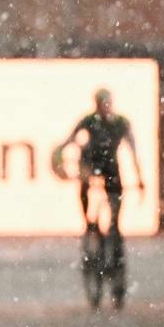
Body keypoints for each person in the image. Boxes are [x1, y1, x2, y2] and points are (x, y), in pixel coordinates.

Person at [57, 88, 145, 238]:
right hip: (91, 161)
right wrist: (60, 161)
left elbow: (133, 152)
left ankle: (115, 224)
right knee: (85, 185)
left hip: (109, 163)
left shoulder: (120, 123)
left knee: (116, 190)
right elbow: (68, 141)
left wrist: (139, 177)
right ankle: (89, 223)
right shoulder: (90, 121)